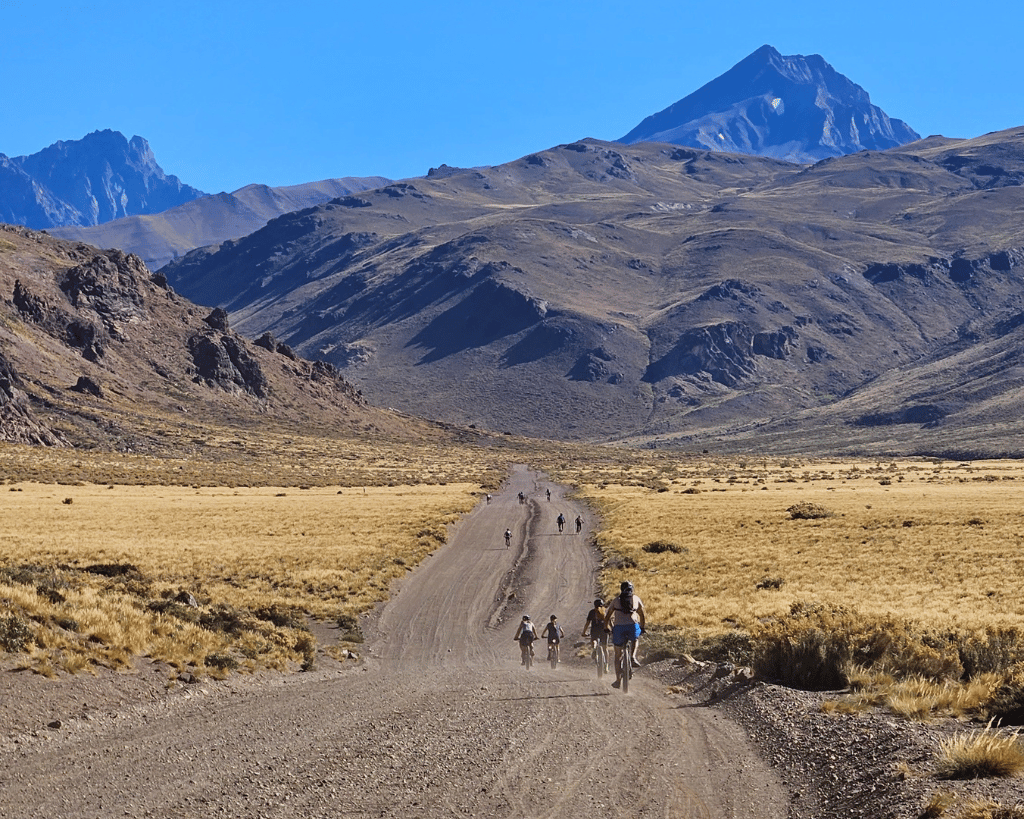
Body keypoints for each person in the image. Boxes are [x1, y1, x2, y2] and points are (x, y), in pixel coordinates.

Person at [603, 580, 645, 688]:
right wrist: (642, 628)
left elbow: (608, 616)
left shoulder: (616, 600)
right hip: (632, 626)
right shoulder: (635, 599)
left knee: (617, 656)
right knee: (635, 638)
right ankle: (632, 656)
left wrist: (606, 627)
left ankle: (617, 680)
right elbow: (642, 614)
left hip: (618, 629)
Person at [582, 598, 609, 672]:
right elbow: (609, 621)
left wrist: (584, 632)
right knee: (605, 648)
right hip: (604, 630)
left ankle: (594, 648)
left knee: (594, 640)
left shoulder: (592, 612)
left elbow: (587, 623)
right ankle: (606, 666)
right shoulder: (605, 611)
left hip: (594, 630)